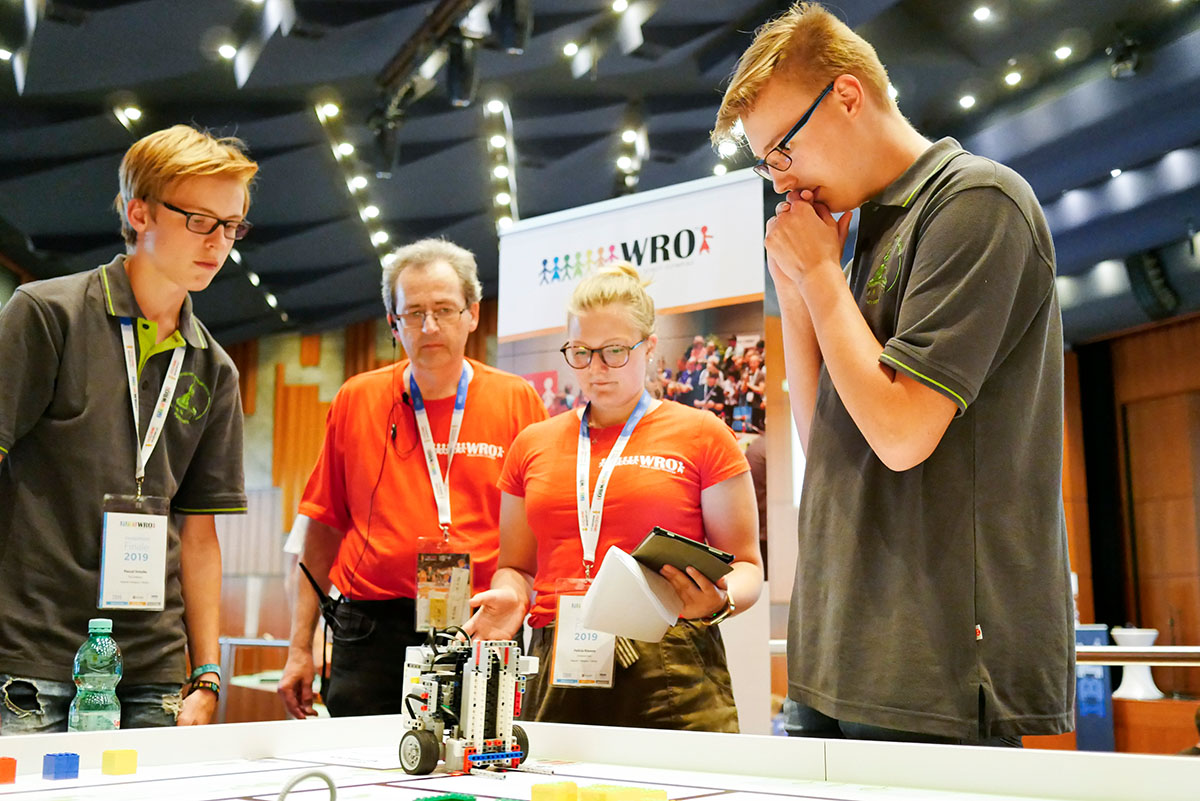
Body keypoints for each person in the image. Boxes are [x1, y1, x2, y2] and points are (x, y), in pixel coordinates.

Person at [713, 2, 1073, 744]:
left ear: (846, 96)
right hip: (840, 645)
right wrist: (797, 288)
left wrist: (820, 274)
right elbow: (827, 443)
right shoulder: (868, 234)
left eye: (782, 150)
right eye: (767, 164)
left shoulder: (976, 200)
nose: (780, 181)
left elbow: (903, 434)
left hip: (935, 662)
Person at [0, 125, 257, 732]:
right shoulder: (48, 315)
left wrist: (207, 673)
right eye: (200, 220)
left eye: (232, 226)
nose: (218, 243)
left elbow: (199, 536)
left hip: (152, 668)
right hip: (32, 655)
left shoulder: (214, 368)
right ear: (140, 213)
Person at [466, 262, 762, 732]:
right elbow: (517, 566)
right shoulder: (532, 444)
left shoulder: (703, 434)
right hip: (558, 652)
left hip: (671, 654)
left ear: (649, 347)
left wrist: (721, 601)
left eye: (615, 351)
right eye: (581, 352)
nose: (596, 369)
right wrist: (511, 595)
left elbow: (746, 566)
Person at [277, 238, 546, 719]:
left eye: (444, 309)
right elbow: (321, 529)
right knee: (361, 759)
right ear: (393, 322)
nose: (430, 326)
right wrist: (299, 647)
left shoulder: (517, 400)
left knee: (480, 757)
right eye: (414, 313)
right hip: (370, 628)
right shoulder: (356, 399)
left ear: (472, 314)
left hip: (480, 619)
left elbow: (540, 530)